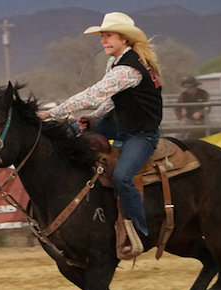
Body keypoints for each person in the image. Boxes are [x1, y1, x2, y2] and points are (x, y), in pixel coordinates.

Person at [36, 12, 163, 262]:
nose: (103, 40)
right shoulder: (119, 62)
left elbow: (93, 94)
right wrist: (94, 119)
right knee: (74, 131)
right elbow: (110, 99)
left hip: (141, 133)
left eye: (108, 36)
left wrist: (54, 113)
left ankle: (140, 229)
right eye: (102, 36)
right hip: (121, 124)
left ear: (124, 39)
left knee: (123, 176)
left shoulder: (128, 69)